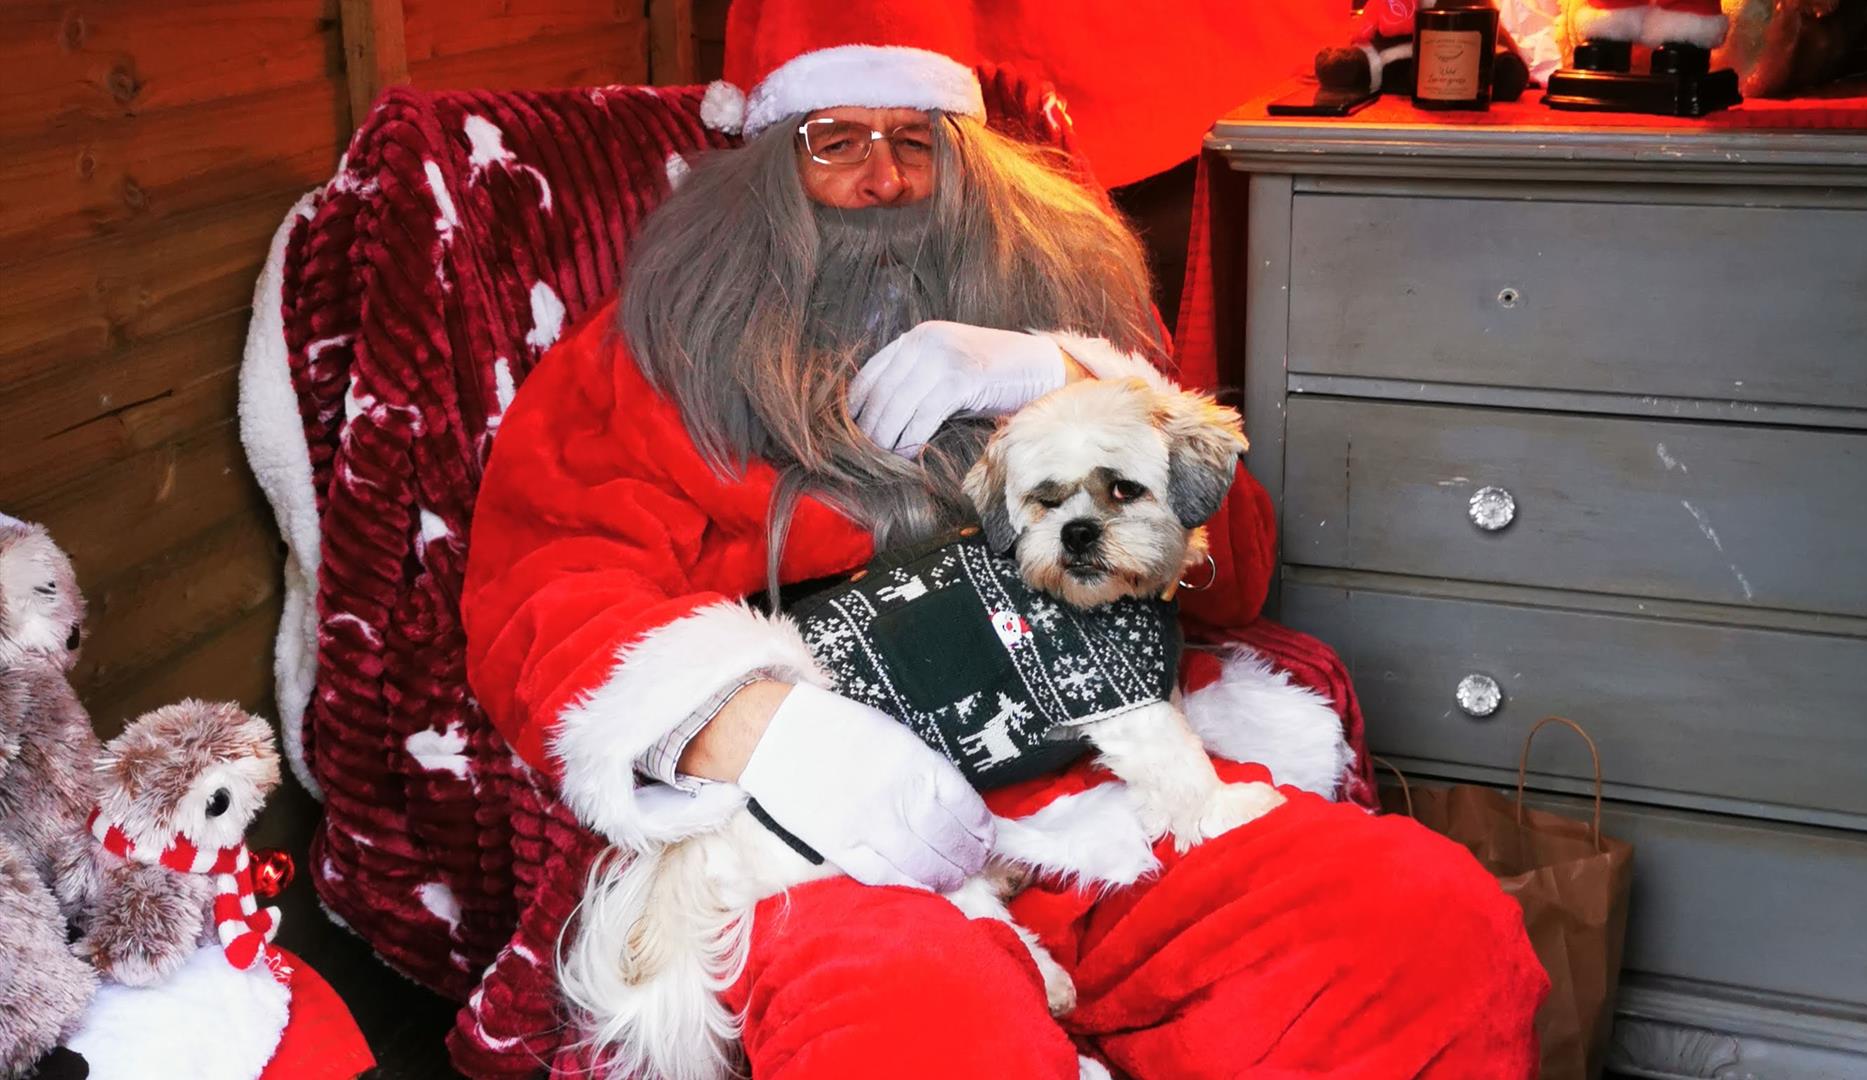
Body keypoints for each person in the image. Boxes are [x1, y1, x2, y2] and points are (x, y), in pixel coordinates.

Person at [462, 10, 1548, 1079]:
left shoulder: (1064, 297)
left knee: (1425, 924)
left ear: (972, 158)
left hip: (1105, 781)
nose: (883, 179)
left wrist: (1071, 374)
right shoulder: (656, 350)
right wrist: (771, 739)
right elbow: (544, 582)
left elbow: (1238, 572)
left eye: (917, 141)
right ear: (763, 167)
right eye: (835, 141)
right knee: (922, 1034)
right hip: (844, 836)